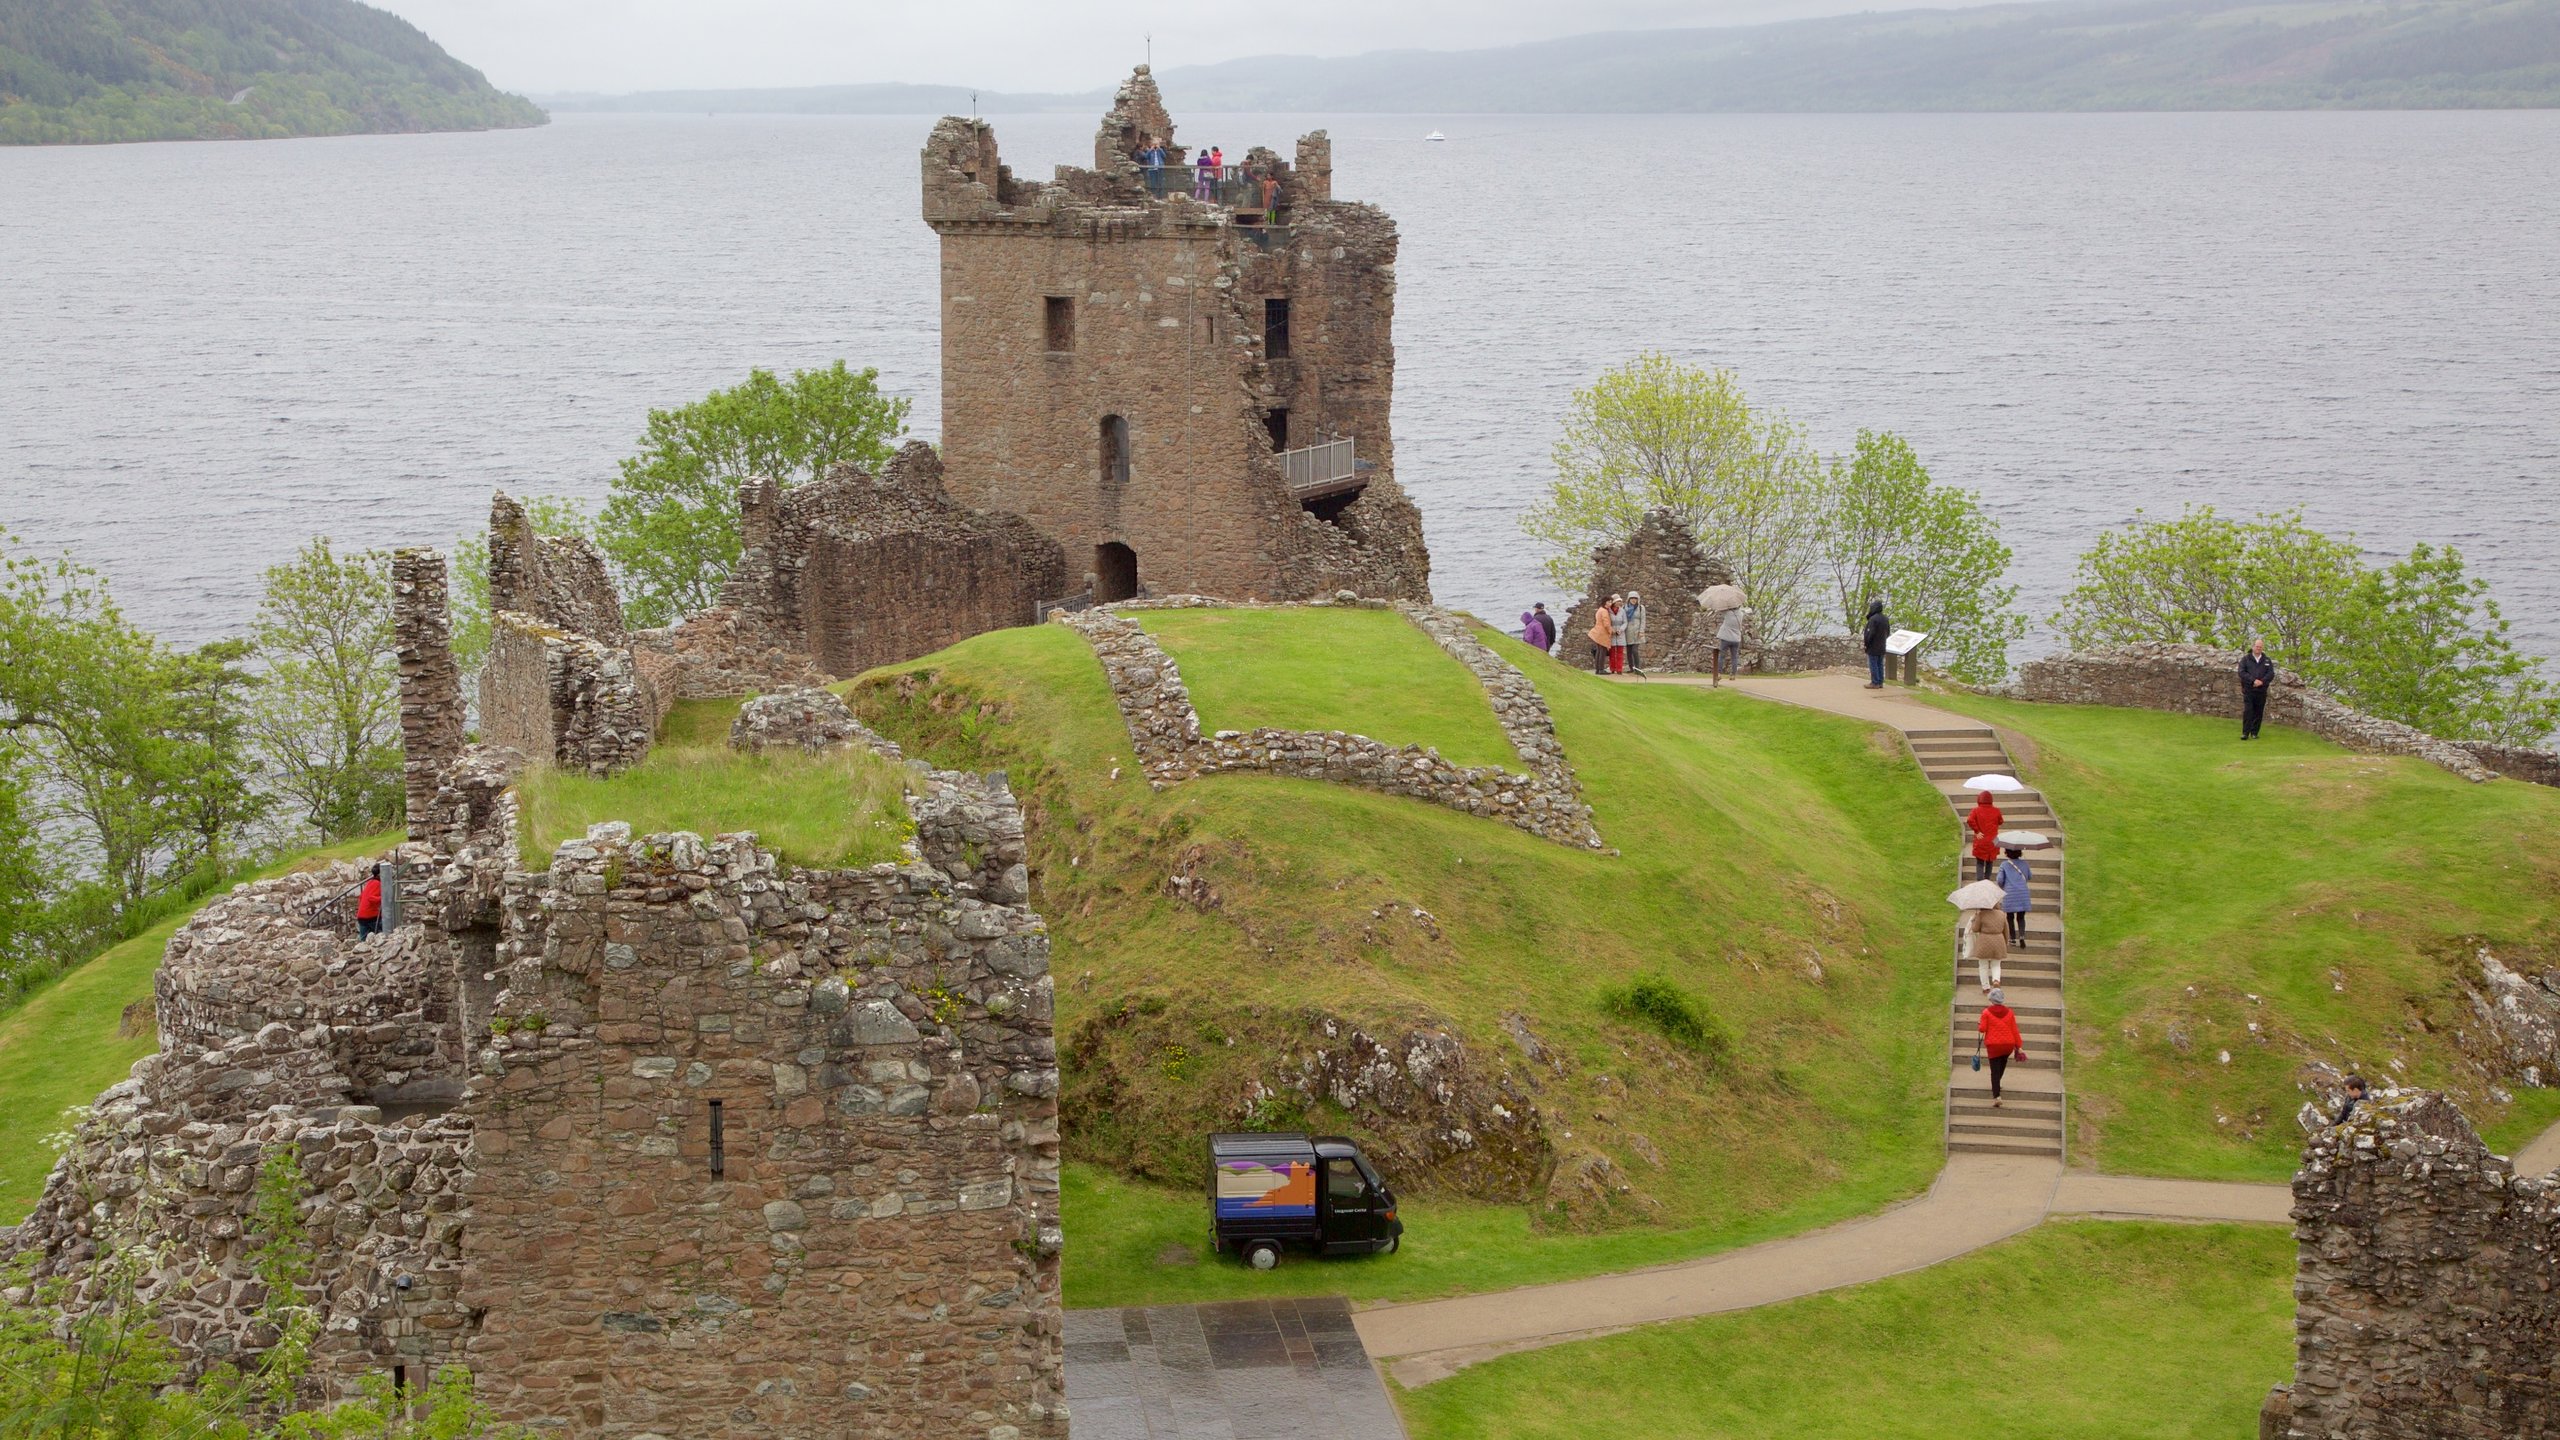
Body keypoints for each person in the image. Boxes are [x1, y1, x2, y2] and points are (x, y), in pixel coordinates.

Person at [1975, 988, 2026, 1108]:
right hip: (2008, 1044)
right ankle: (1997, 1083)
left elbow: (1982, 1029)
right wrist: (2019, 1046)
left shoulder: (1986, 1012)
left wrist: (1980, 1023)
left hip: (1993, 1045)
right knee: (2002, 1064)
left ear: (1991, 1000)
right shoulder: (2010, 1012)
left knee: (1994, 1070)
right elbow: (2014, 1030)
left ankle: (1997, 1096)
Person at [1963, 903, 2007, 991]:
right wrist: (2005, 942)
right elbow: (2006, 930)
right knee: (1996, 964)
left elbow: (1975, 929)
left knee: (1983, 965)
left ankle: (1986, 987)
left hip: (1984, 941)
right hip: (1998, 940)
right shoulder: (2002, 914)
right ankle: (1996, 980)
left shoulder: (1981, 914)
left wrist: (1975, 920)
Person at [2239, 639, 2275, 740]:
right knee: (2248, 711)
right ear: (2253, 647)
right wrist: (2253, 680)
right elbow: (2241, 672)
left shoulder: (2267, 660)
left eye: (2260, 647)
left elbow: (2271, 674)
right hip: (2249, 690)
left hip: (2261, 690)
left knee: (2258, 712)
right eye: (2257, 646)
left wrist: (2262, 681)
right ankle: (2245, 733)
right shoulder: (2245, 659)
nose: (2258, 648)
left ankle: (2254, 733)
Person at [1996, 845, 2032, 945]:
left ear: (2007, 852)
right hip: (2023, 893)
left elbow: (1999, 880)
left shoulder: (2004, 865)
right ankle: (2021, 935)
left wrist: (2002, 886)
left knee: (2009, 917)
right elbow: (2030, 876)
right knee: (2021, 917)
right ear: (2019, 852)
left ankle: (2012, 938)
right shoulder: (2024, 863)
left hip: (2010, 893)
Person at [1966, 790, 2003, 881]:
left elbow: (1970, 820)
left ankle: (1980, 882)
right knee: (1990, 861)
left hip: (1981, 840)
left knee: (1980, 862)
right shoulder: (1996, 810)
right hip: (1993, 841)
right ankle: (1987, 880)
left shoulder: (1976, 811)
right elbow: (2001, 821)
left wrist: (1977, 831)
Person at [1713, 605, 1746, 687]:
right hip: (1736, 639)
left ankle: (1719, 673)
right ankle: (1733, 674)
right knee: (1734, 657)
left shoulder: (1727, 613)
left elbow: (1720, 609)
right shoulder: (1741, 614)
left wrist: (1726, 606)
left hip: (1726, 638)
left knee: (1721, 656)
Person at [1862, 598, 1891, 689]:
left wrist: (1866, 643)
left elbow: (1870, 633)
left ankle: (1875, 682)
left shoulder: (1873, 619)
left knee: (1873, 664)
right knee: (1880, 664)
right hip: (1882, 645)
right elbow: (1888, 632)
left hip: (1873, 646)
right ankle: (1880, 682)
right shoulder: (1885, 619)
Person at [1621, 591, 1648, 676]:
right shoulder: (1624, 607)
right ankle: (1631, 667)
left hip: (1637, 631)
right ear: (1629, 599)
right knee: (1629, 651)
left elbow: (1643, 620)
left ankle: (1637, 668)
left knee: (1635, 650)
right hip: (1628, 631)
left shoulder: (1641, 608)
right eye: (1632, 598)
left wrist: (1641, 630)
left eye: (1635, 598)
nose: (1633, 600)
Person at [1586, 600, 1616, 675]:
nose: (1610, 603)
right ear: (1604, 603)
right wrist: (1611, 631)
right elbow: (1606, 624)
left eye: (1611, 602)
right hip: (1602, 633)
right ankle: (1601, 669)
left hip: (1598, 632)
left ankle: (1597, 669)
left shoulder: (1600, 610)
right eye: (1608, 602)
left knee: (1599, 651)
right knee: (1602, 652)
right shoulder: (1604, 611)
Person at [355, 869, 384, 941]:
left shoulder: (369, 882)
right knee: (382, 934)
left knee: (363, 939)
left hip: (361, 915)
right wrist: (383, 898)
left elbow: (361, 897)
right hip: (371, 915)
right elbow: (371, 898)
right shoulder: (377, 883)